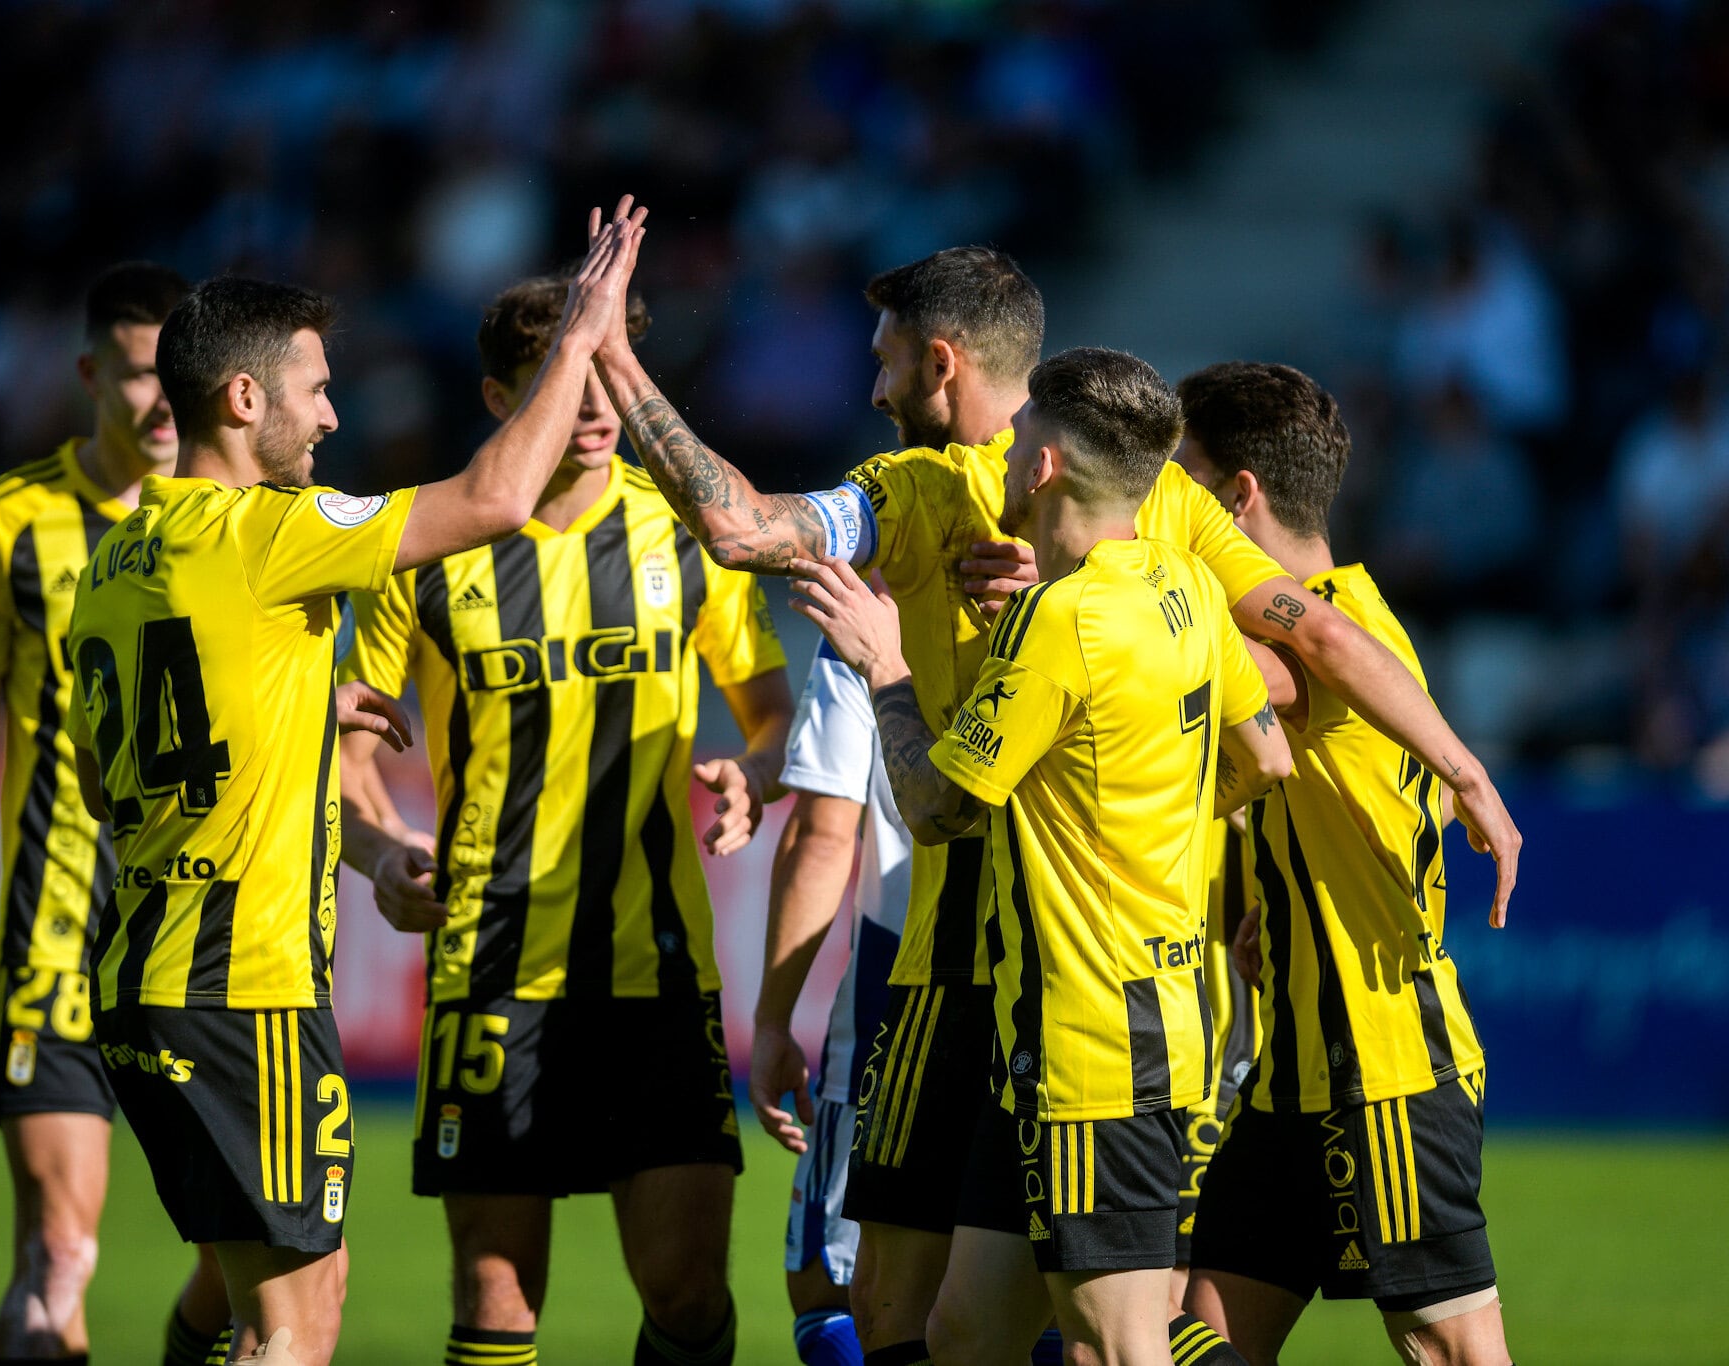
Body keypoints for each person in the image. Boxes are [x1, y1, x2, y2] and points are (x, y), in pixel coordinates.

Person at [591, 244, 1521, 1364]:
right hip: (950, 955)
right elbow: (744, 531)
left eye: (884, 361)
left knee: (1099, 1319)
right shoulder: (921, 489)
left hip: (1086, 983)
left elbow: (1299, 649)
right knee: (910, 1307)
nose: (871, 390)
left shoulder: (1136, 504)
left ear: (940, 363)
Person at [62, 198, 647, 1366]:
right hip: (246, 985)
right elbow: (488, 501)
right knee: (298, 1322)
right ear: (242, 399)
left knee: (244, 1302)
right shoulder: (267, 531)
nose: (333, 413)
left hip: (142, 971)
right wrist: (580, 340)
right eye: (316, 387)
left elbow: (103, 761)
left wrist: (306, 739)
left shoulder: (121, 555)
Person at [789, 347, 1292, 1365]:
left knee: (1116, 1348)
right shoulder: (1181, 584)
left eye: (1020, 437)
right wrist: (1138, 831)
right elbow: (1265, 754)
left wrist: (886, 667)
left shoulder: (1061, 621)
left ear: (1045, 466)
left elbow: (931, 810)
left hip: (1092, 1044)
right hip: (1126, 1018)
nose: (1005, 448)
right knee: (968, 1332)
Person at [339, 267, 793, 1366]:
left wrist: (756, 772)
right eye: (561, 380)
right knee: (495, 1308)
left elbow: (771, 712)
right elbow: (350, 754)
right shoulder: (426, 549)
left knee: (688, 1300)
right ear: (501, 401)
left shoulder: (693, 539)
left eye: (605, 376)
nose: (594, 410)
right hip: (493, 967)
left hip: (658, 967)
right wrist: (379, 850)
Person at [0, 261, 232, 1366]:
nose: (161, 407)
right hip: (57, 938)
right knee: (59, 1257)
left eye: (176, 379)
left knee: (242, 1254)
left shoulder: (239, 527)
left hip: (200, 940)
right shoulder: (10, 522)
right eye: (136, 378)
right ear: (88, 374)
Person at [1175, 362, 1512, 1365]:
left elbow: (1202, 679)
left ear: (1236, 496)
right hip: (1287, 1074)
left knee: (1450, 1355)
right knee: (1181, 1339)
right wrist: (1262, 899)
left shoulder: (1316, 639)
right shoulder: (1349, 614)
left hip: (1383, 1068)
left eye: (1177, 481)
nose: (1160, 513)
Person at [748, 640, 911, 1366]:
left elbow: (824, 834)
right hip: (1083, 999)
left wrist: (773, 1021)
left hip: (899, 1011)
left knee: (834, 1287)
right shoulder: (1114, 587)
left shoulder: (872, 609)